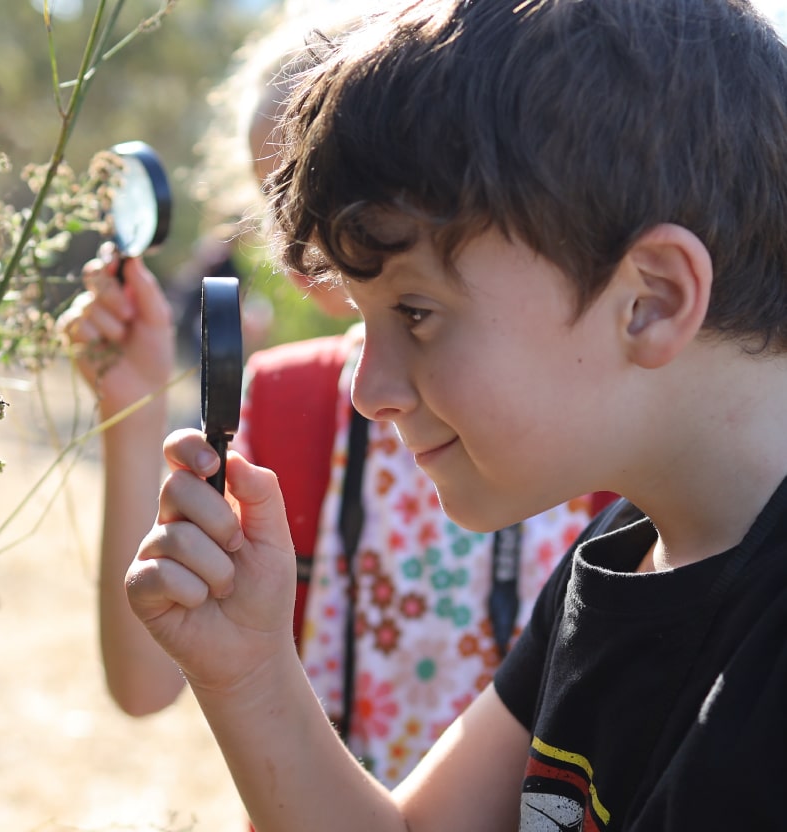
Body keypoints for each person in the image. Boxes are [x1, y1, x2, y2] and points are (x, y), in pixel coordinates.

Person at [124, 0, 787, 829]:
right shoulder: (620, 550)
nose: (369, 391)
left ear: (651, 300)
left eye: (416, 312)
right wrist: (251, 671)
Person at [60, 1, 605, 791]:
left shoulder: (595, 416)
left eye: (343, 196)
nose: (313, 242)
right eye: (282, 203)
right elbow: (147, 685)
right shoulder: (292, 402)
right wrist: (133, 406)